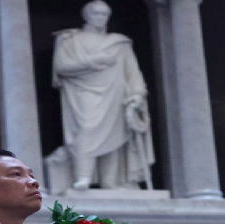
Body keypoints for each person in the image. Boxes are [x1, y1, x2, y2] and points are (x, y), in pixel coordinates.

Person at [51, 0, 154, 191]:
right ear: (86, 15)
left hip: (115, 93)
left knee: (115, 136)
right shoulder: (70, 40)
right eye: (97, 13)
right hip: (82, 93)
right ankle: (83, 178)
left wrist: (137, 94)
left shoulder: (119, 43)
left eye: (105, 14)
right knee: (86, 130)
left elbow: (132, 71)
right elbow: (61, 67)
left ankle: (110, 182)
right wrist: (92, 62)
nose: (101, 18)